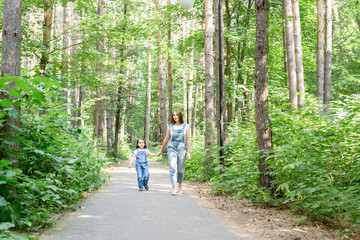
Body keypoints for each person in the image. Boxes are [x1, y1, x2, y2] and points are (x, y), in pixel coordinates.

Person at [157, 110, 191, 196]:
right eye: (173, 115)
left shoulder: (186, 126)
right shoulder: (170, 126)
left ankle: (180, 185)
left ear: (180, 116)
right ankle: (174, 187)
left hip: (182, 148)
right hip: (171, 147)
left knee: (180, 169)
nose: (175, 117)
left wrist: (189, 152)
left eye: (177, 115)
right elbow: (166, 139)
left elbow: (188, 140)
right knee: (172, 167)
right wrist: (161, 150)